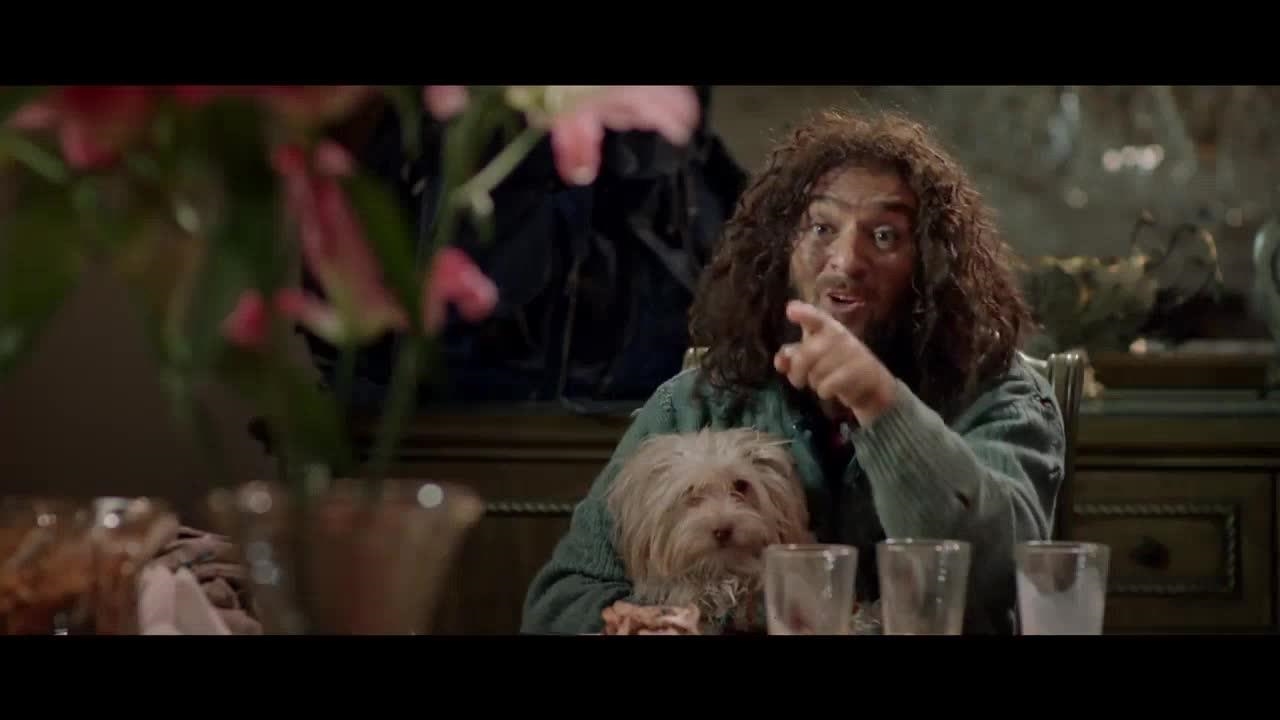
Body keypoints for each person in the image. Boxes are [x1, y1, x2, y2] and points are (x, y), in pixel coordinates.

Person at [520, 109, 1066, 635]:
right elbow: (562, 602)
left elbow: (998, 586)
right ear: (779, 248)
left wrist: (882, 405)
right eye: (822, 227)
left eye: (884, 236)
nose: (846, 261)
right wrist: (693, 621)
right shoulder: (692, 404)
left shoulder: (1003, 399)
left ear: (930, 264)